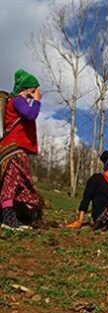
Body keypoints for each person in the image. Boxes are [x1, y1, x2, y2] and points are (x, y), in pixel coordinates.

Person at [0, 69, 42, 230]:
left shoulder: (17, 101)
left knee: (19, 183)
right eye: (35, 88)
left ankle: (14, 215)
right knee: (12, 182)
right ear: (29, 88)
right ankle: (9, 219)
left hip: (13, 148)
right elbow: (30, 115)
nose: (38, 91)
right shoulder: (18, 100)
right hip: (14, 149)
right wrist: (37, 100)